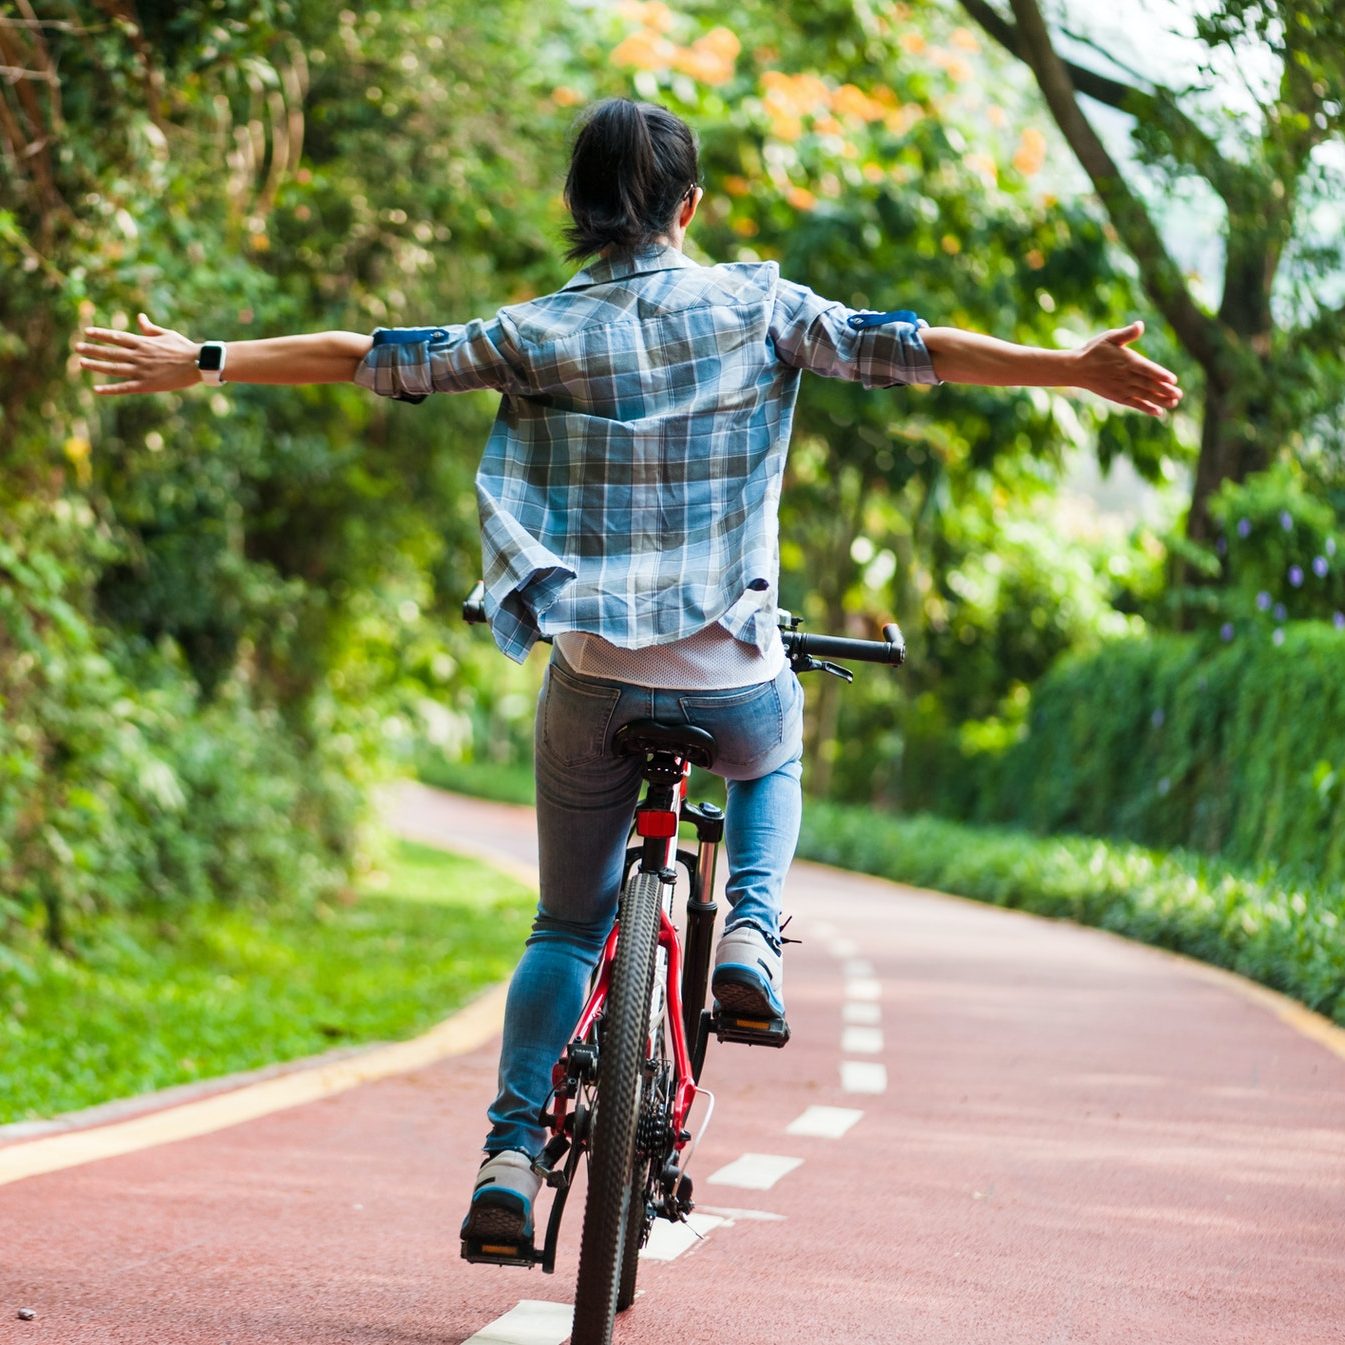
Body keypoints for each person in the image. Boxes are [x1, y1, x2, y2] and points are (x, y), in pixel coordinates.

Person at [78, 97, 1181, 1255]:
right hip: (731, 671)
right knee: (775, 738)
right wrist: (1069, 366)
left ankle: (509, 1149)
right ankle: (750, 931)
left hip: (595, 676)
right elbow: (913, 348)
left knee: (565, 921)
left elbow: (369, 356)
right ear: (689, 206)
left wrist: (200, 359)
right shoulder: (758, 304)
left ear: (577, 209)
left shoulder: (531, 331)